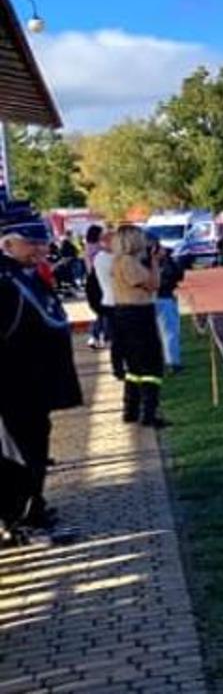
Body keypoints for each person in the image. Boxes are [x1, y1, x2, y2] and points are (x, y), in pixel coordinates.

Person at [1, 200, 85, 544]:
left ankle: (32, 508)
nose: (41, 248)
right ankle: (19, 522)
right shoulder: (4, 281)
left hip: (32, 386)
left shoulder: (23, 275)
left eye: (42, 241)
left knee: (34, 450)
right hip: (11, 389)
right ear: (6, 243)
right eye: (31, 241)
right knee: (17, 456)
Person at [109, 225, 169, 429]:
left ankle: (131, 410)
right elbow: (153, 284)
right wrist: (154, 262)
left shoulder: (120, 261)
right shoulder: (127, 262)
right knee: (151, 365)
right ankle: (149, 413)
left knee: (134, 367)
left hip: (126, 313)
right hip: (137, 314)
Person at [154, 244, 186, 373]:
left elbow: (178, 276)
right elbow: (174, 275)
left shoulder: (159, 263)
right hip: (163, 297)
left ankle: (168, 360)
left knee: (167, 331)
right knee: (170, 331)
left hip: (162, 297)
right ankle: (173, 362)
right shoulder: (158, 264)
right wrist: (169, 260)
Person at [83, 224, 111, 350]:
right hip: (100, 281)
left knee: (101, 312)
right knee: (105, 311)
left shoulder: (87, 248)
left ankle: (95, 336)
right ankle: (105, 337)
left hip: (91, 281)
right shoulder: (99, 249)